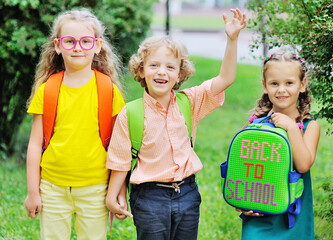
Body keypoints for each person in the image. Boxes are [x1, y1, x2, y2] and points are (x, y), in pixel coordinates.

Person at [105, 8, 247, 240]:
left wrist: (232, 39)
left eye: (170, 67)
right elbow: (120, 161)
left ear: (180, 74)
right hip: (149, 198)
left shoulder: (189, 102)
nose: (162, 72)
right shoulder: (130, 113)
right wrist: (113, 197)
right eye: (154, 65)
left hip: (188, 194)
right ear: (141, 70)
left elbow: (226, 79)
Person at [24, 8, 125, 240]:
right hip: (52, 188)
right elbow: (34, 145)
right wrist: (33, 192)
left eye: (86, 41)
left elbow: (119, 147)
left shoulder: (108, 89)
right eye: (69, 41)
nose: (78, 47)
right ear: (58, 46)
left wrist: (119, 191)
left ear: (97, 45)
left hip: (96, 188)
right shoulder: (48, 89)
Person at [239, 52, 321, 239]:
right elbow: (239, 166)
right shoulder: (255, 125)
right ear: (265, 86)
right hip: (259, 214)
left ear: (302, 85)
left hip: (292, 218)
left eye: (289, 83)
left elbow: (303, 165)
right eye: (274, 83)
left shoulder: (310, 127)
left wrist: (292, 128)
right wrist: (242, 202)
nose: (281, 90)